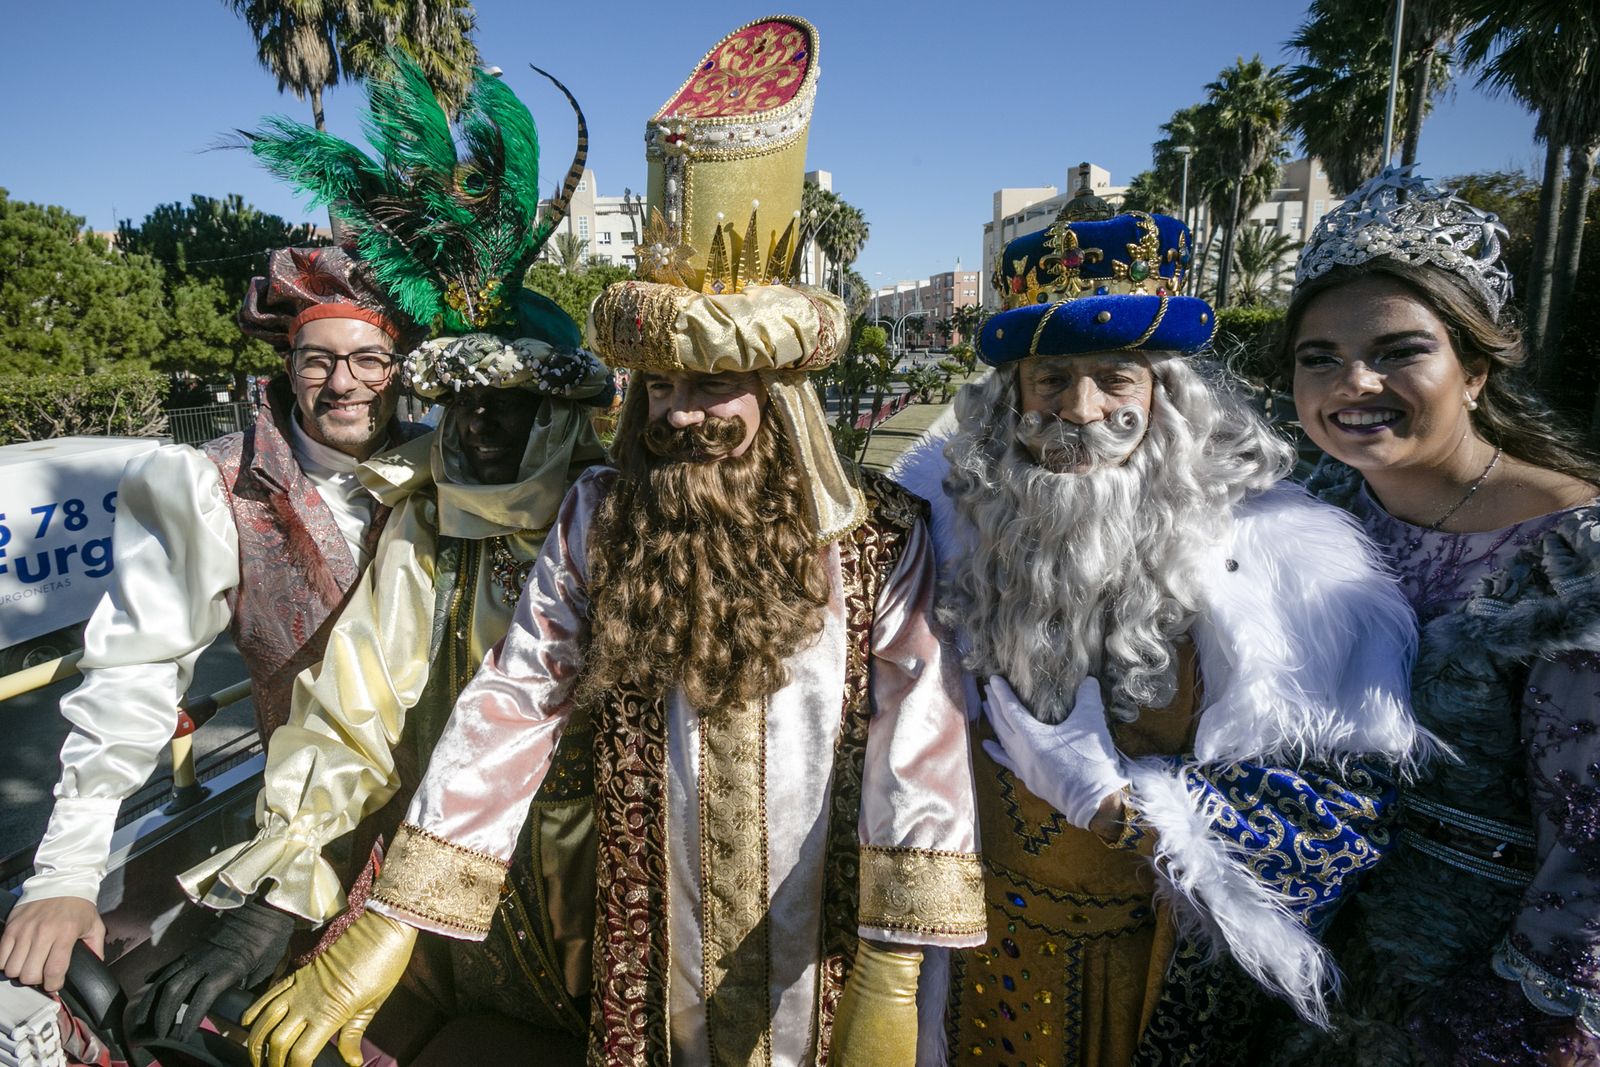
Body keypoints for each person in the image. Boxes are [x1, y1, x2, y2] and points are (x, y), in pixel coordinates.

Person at [236, 17, 986, 1067]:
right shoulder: (601, 514)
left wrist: (896, 973)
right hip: (647, 955)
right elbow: (513, 700)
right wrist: (391, 918)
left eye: (716, 385)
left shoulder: (878, 539)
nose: (682, 414)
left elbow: (925, 752)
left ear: (780, 394)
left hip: (826, 957)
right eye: (665, 387)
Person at [141, 54, 607, 1059]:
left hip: (603, 887)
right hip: (435, 887)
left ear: (561, 408)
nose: (479, 429)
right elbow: (355, 702)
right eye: (466, 401)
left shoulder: (625, 520)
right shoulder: (427, 520)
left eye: (509, 404)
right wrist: (279, 888)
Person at [891, 196, 1425, 1065]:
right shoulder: (944, 529)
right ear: (1011, 398)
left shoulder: (1283, 564)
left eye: (1115, 378)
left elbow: (1344, 819)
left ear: (1167, 397)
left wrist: (1121, 804)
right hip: (980, 955)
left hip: (1150, 975)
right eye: (1052, 380)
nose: (1082, 409)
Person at [0, 242, 420, 995]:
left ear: (398, 367)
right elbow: (136, 670)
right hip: (309, 855)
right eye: (317, 360)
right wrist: (64, 871)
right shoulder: (214, 486)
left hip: (457, 837)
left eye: (368, 358)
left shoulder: (454, 468)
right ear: (286, 368)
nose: (342, 382)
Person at [1276, 167, 1600, 1066]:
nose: (1355, 381)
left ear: (1477, 368)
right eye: (1320, 357)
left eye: (1398, 350)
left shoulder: (1574, 561)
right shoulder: (1316, 502)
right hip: (1299, 971)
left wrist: (1505, 1025)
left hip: (1477, 1007)